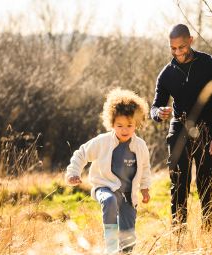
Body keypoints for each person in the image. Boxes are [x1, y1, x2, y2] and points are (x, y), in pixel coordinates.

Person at [151, 24, 212, 232]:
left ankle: (207, 234)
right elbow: (155, 107)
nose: (178, 52)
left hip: (209, 132)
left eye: (181, 47)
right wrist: (158, 113)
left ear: (191, 40)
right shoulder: (166, 74)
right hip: (179, 130)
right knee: (179, 185)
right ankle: (178, 235)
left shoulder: (211, 66)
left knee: (206, 185)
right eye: (173, 48)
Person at [65, 88, 152, 254]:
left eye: (129, 125)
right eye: (119, 125)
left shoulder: (140, 146)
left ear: (137, 125)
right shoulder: (102, 141)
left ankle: (124, 252)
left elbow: (145, 168)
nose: (124, 130)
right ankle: (111, 248)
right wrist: (73, 172)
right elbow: (81, 154)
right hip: (104, 187)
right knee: (110, 201)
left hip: (128, 194)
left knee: (128, 233)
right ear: (112, 123)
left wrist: (145, 188)